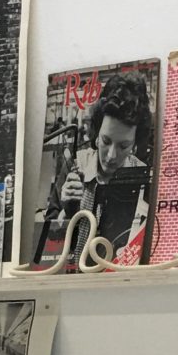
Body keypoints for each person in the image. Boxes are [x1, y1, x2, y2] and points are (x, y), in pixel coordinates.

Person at [58, 72, 154, 257]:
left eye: (123, 146)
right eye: (106, 140)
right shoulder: (74, 165)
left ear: (135, 143)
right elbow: (48, 245)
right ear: (97, 131)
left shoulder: (144, 177)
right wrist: (67, 210)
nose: (111, 156)